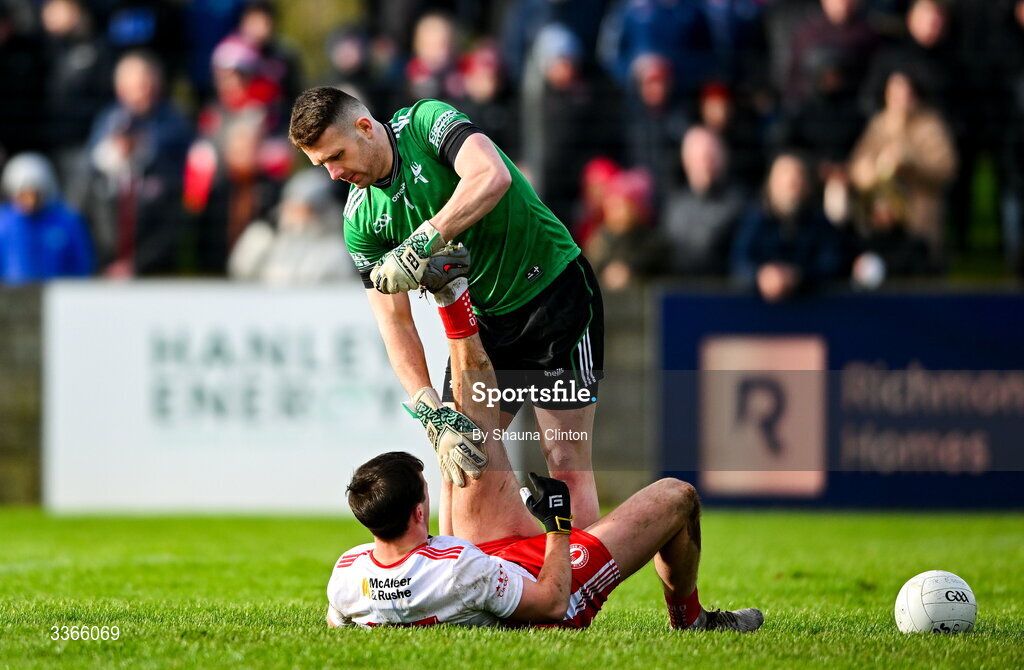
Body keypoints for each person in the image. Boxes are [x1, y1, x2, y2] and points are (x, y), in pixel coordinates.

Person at [325, 256, 764, 631]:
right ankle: (690, 619)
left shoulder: (350, 576)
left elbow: (340, 616)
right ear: (420, 513)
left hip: (483, 555)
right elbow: (551, 601)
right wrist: (557, 524)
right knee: (678, 495)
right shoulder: (459, 572)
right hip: (549, 578)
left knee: (466, 437)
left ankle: (456, 296)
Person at [288, 86, 605, 529]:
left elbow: (492, 176)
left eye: (336, 156)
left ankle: (579, 593)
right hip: (486, 327)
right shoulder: (360, 220)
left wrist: (423, 240)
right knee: (460, 465)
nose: (334, 174)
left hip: (555, 298)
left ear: (364, 127)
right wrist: (428, 410)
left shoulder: (425, 124)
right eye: (322, 165)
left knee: (565, 458)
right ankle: (460, 589)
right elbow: (394, 323)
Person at [0, 152, 94, 284]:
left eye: (34, 194)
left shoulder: (67, 222)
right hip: (10, 298)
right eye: (23, 194)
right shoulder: (3, 223)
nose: (30, 202)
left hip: (59, 298)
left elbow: (82, 264)